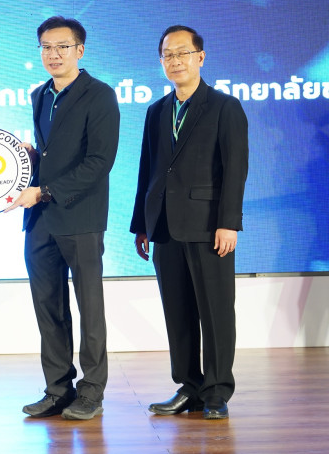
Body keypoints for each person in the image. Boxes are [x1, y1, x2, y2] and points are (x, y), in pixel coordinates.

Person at [130, 25, 248, 420]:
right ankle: (189, 386)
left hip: (208, 225)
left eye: (182, 53)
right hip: (163, 225)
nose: (175, 61)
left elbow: (235, 169)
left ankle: (216, 391)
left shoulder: (224, 106)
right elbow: (148, 170)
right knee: (178, 312)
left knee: (215, 312)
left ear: (200, 57)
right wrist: (141, 224)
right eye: (168, 54)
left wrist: (229, 222)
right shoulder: (156, 110)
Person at [5, 16, 120, 420]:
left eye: (62, 47)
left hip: (80, 217)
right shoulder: (39, 94)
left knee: (90, 308)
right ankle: (58, 390)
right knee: (48, 307)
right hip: (40, 220)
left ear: (79, 50)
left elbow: (99, 161)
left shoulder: (100, 95)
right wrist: (28, 159)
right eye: (46, 47)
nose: (53, 54)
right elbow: (51, 154)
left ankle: (92, 392)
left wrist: (45, 190)